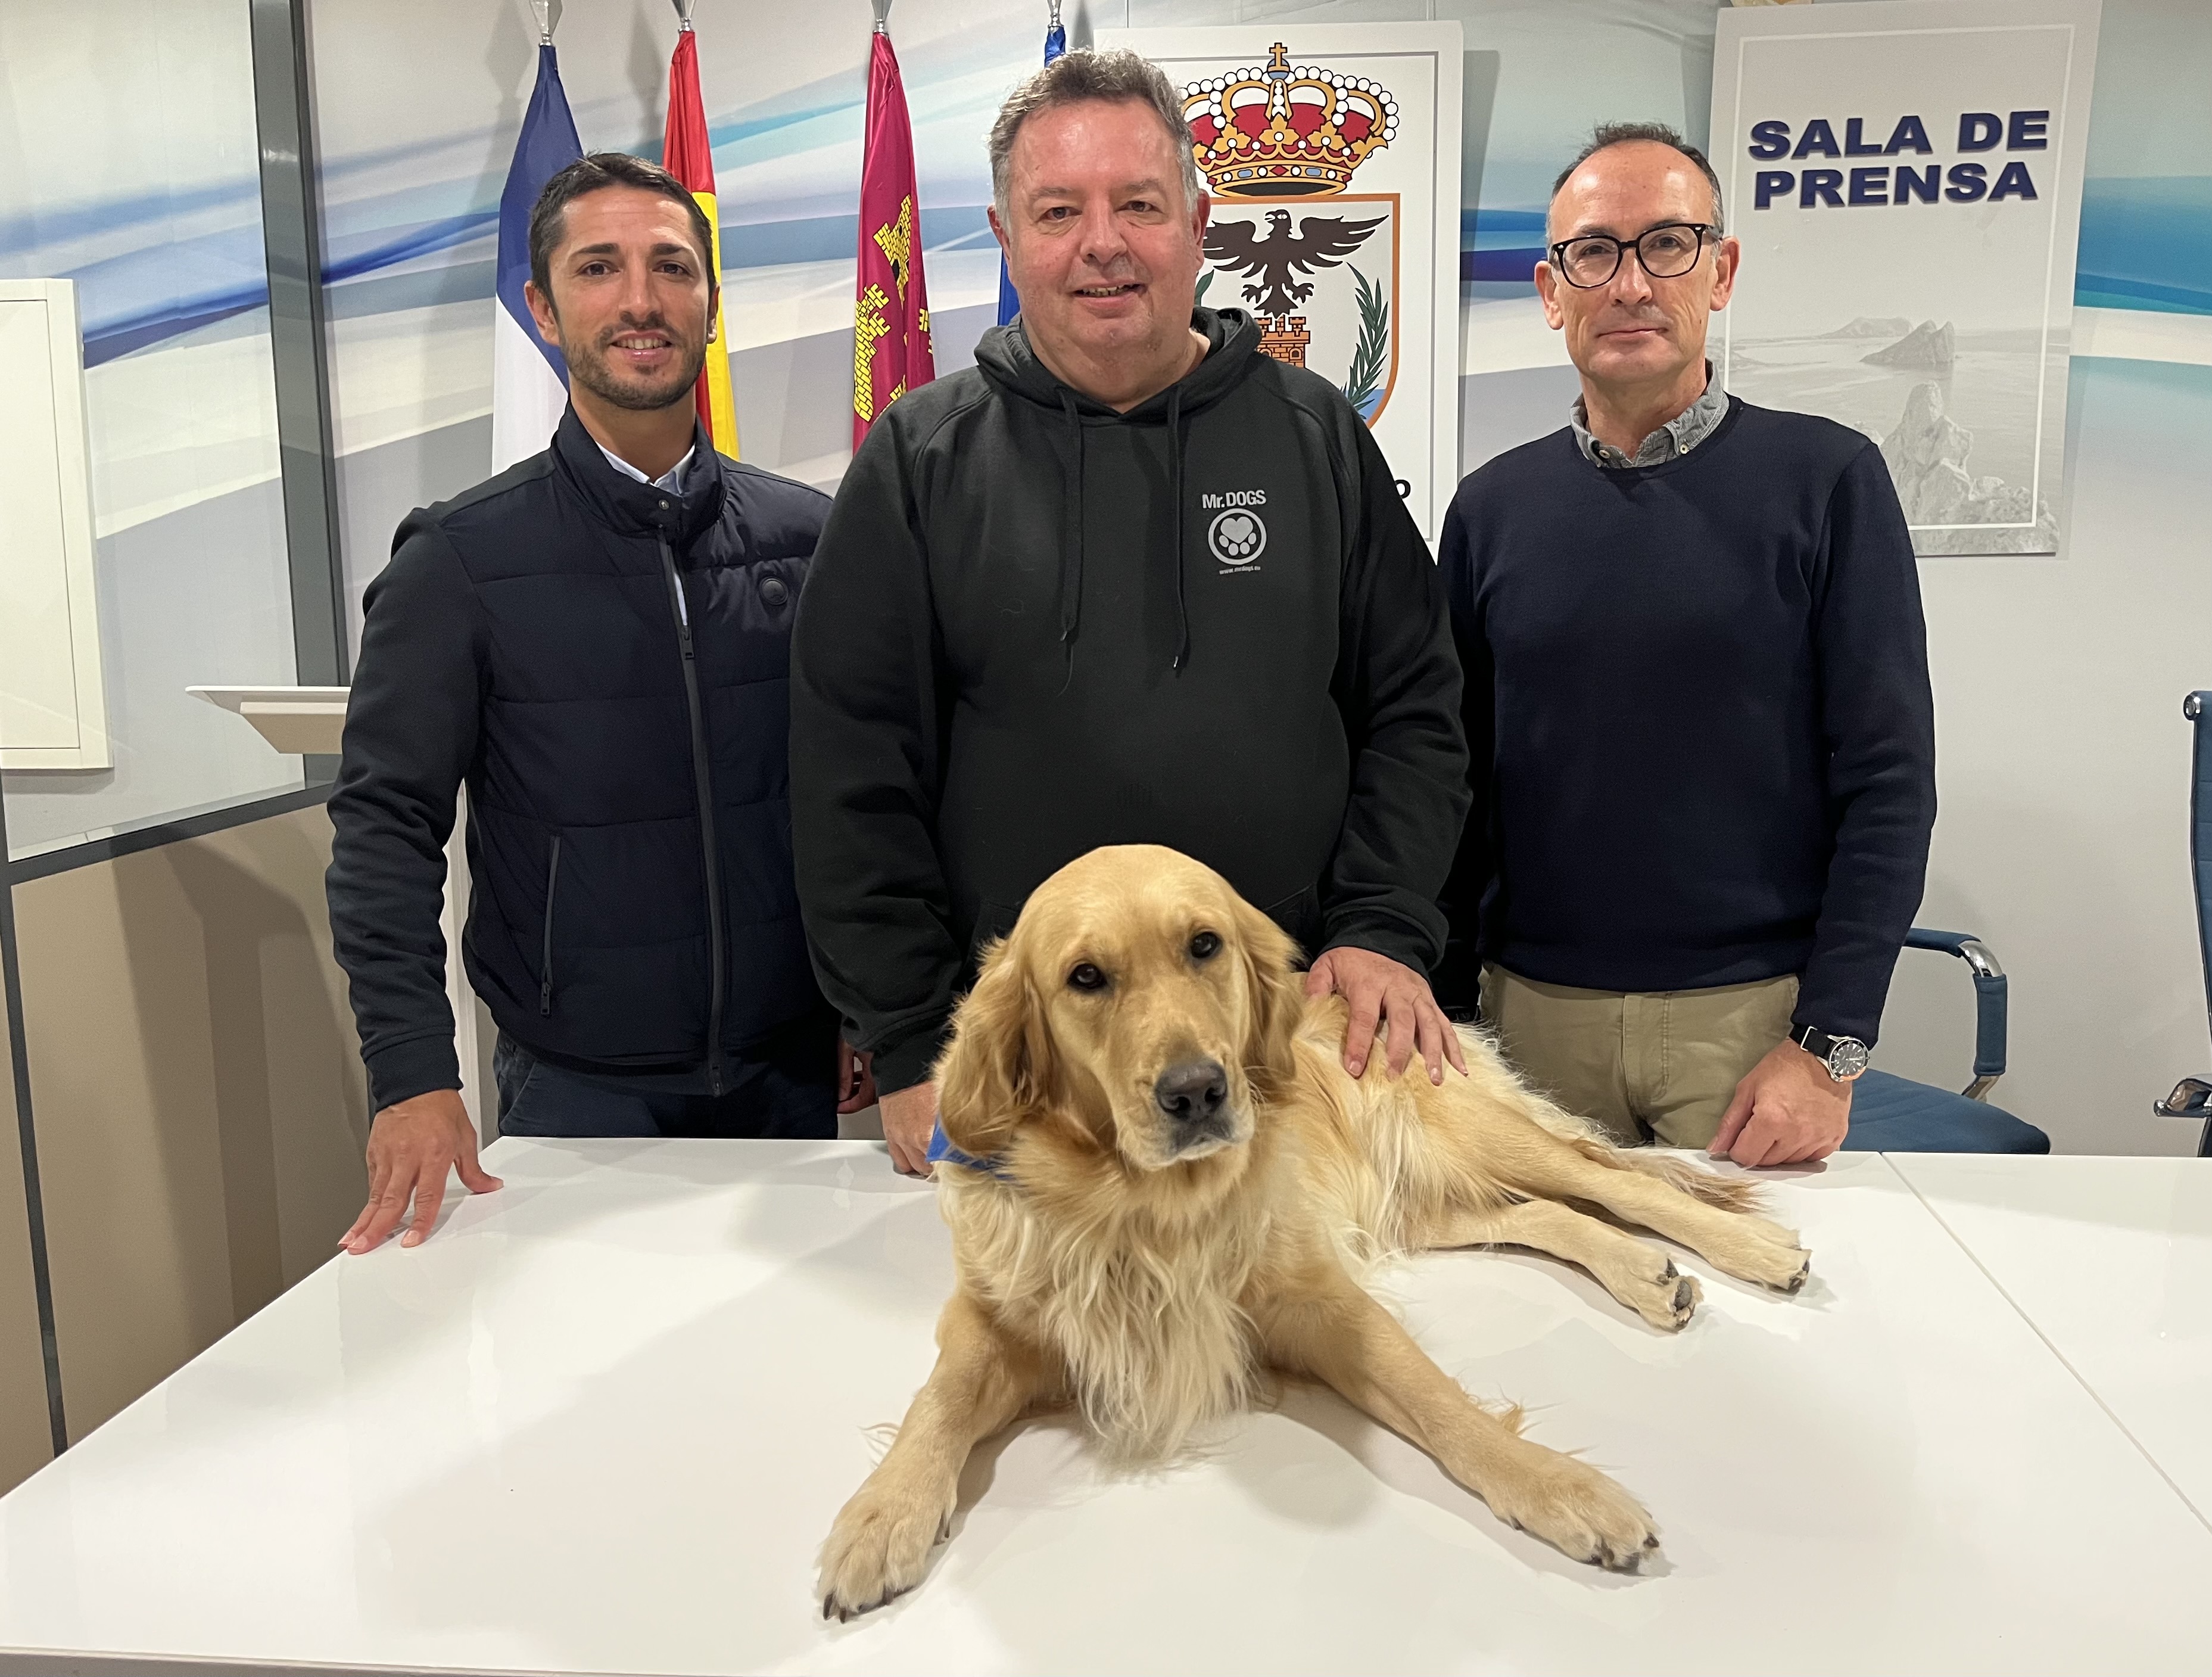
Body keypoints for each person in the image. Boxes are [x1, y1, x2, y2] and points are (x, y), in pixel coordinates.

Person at [791, 49, 1469, 1177]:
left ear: (1198, 224)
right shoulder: (920, 461)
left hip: (1282, 1043)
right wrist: (911, 1043)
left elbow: (1415, 711)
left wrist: (1381, 930)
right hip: (1031, 1068)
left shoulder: (1315, 438)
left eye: (1138, 205)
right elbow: (848, 773)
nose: (1101, 241)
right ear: (1008, 240)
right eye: (1059, 210)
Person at [326, 153, 872, 1253]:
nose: (640, 300)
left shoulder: (811, 540)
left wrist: (870, 1006)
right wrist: (411, 1073)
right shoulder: (461, 560)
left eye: (673, 267)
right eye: (598, 269)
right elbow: (384, 830)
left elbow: (861, 801)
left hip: (794, 1078)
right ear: (541, 306)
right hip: (578, 1093)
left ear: (710, 303)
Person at [1434, 122, 1936, 1169]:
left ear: (1721, 270)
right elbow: (1453, 782)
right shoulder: (1489, 511)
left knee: (1754, 1321)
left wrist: (1830, 1047)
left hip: (1747, 1037)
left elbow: (1889, 783)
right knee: (1531, 1316)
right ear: (1549, 287)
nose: (1627, 285)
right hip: (1526, 1028)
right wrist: (1444, 1006)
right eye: (1593, 252)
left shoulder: (1828, 481)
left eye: (1666, 244)